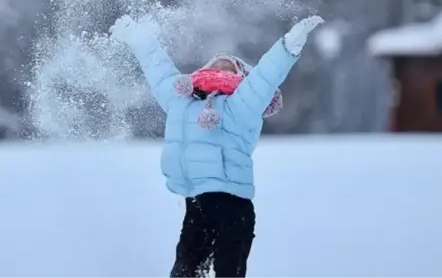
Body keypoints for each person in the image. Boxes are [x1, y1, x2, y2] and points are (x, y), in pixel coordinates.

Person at [110, 14, 324, 278]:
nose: (222, 68)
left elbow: (265, 77)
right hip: (196, 205)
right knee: (183, 273)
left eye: (230, 67)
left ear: (242, 78)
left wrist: (289, 45)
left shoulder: (242, 104)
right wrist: (139, 38)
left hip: (233, 207)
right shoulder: (182, 102)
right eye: (216, 65)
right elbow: (159, 71)